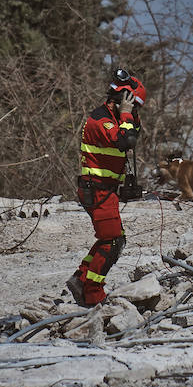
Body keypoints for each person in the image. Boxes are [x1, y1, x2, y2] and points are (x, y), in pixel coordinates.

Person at [65, 69, 145, 306]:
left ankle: (80, 278)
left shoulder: (116, 117)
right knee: (111, 241)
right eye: (134, 105)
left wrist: (129, 116)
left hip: (105, 189)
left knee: (114, 240)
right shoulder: (100, 120)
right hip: (97, 189)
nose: (136, 110)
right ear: (124, 100)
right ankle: (92, 294)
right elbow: (125, 141)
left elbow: (134, 134)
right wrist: (127, 115)